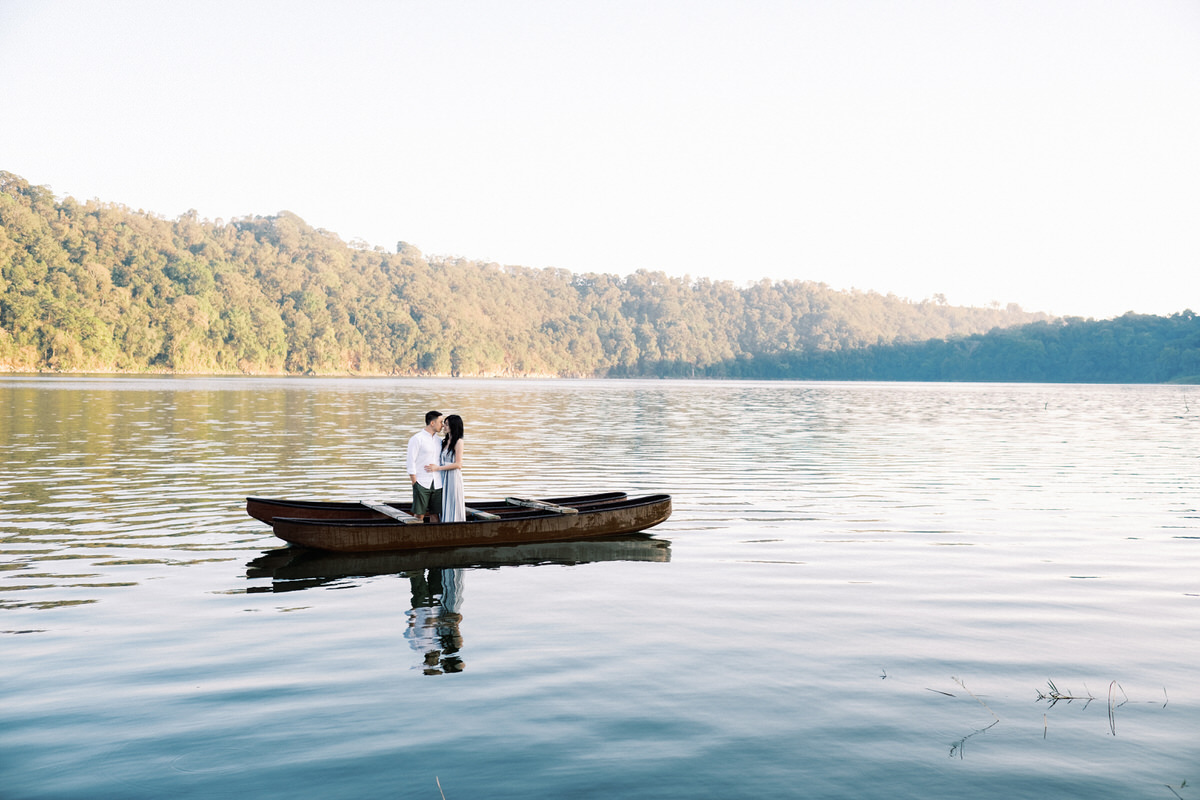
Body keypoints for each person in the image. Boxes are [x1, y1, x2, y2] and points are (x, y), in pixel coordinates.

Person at [425, 413, 465, 522]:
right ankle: (444, 522)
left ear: (453, 426)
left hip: (453, 477)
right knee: (442, 502)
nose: (443, 426)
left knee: (453, 501)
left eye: (446, 424)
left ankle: (456, 523)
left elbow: (458, 464)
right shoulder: (444, 441)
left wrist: (438, 468)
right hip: (443, 477)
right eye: (444, 424)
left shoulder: (459, 442)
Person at [407, 410, 444, 522]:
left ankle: (436, 537)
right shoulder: (417, 439)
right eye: (441, 422)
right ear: (432, 423)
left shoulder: (440, 441)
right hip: (421, 483)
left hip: (438, 483)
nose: (442, 425)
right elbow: (410, 461)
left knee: (435, 515)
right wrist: (415, 483)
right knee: (419, 516)